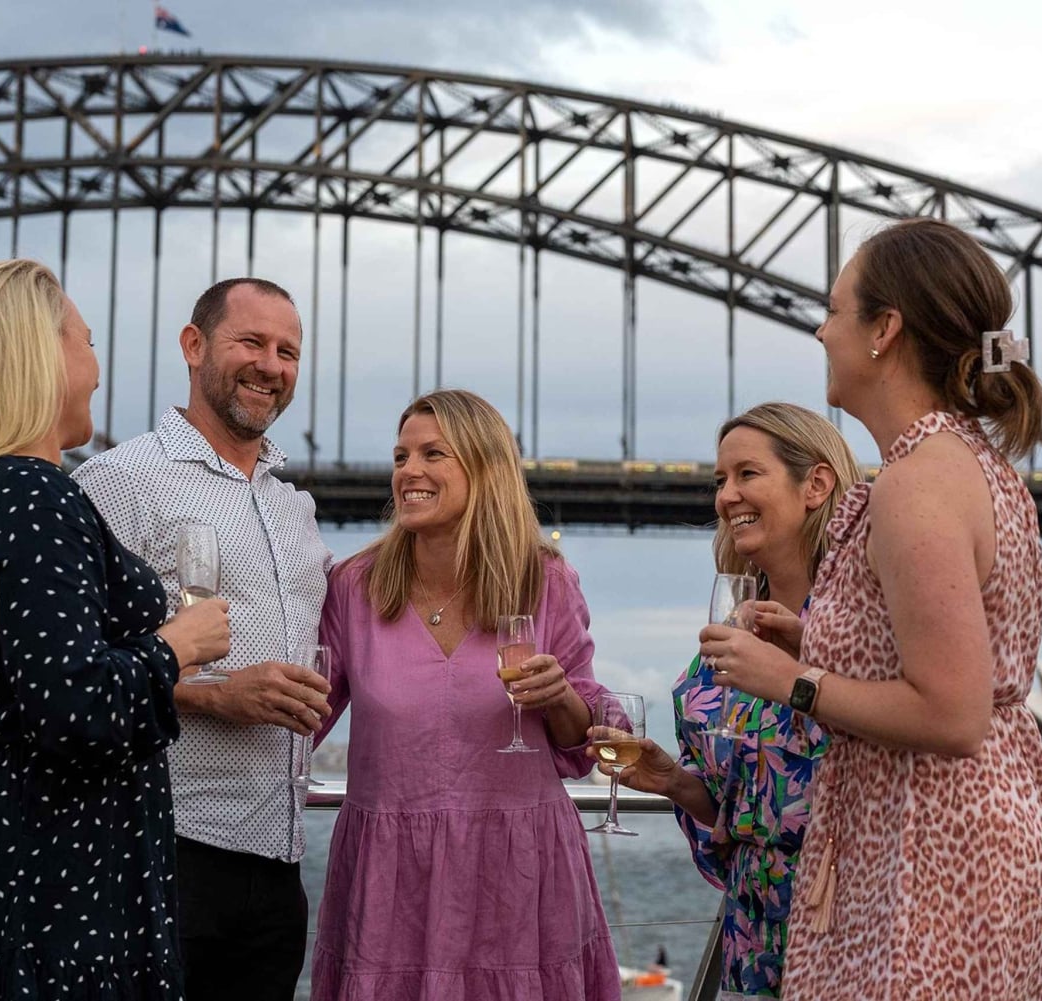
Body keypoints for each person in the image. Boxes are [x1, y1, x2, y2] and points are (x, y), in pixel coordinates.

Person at [702, 218, 1042, 999]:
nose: (820, 328)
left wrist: (792, 679)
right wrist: (817, 636)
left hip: (931, 857)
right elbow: (939, 651)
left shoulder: (919, 484)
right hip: (969, 839)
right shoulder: (965, 462)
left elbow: (951, 711)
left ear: (884, 330)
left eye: (835, 310)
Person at [0, 259, 231, 999]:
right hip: (52, 893)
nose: (98, 369)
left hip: (3, 874)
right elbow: (76, 710)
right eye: (86, 343)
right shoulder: (32, 495)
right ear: (36, 357)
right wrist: (176, 645)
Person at [310, 389, 621, 1000]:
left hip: (521, 873)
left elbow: (580, 742)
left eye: (433, 454)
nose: (409, 472)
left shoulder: (545, 580)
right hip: (391, 879)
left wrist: (559, 696)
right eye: (401, 456)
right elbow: (304, 720)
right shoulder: (353, 587)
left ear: (485, 470)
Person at [74, 278, 333, 1001]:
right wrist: (220, 696)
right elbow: (78, 674)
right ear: (194, 346)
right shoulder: (119, 482)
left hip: (279, 870)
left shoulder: (295, 507)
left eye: (288, 351)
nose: (271, 365)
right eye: (251, 342)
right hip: (163, 855)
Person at [591, 401, 861, 999]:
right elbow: (739, 818)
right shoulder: (728, 638)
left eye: (747, 474)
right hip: (754, 945)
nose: (726, 496)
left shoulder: (860, 626)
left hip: (855, 933)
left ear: (816, 485)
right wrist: (675, 782)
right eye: (720, 481)